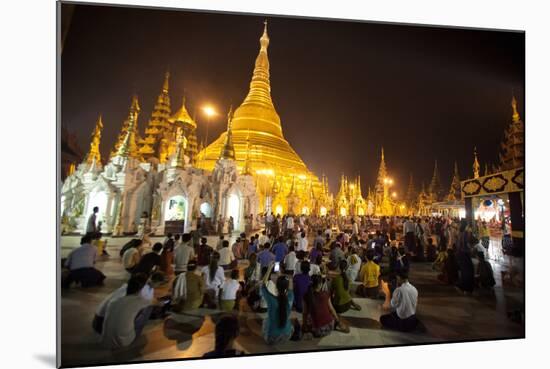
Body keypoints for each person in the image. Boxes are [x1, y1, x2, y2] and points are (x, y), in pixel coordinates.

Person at [101, 273, 153, 348]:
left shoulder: (116, 299)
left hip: (106, 339)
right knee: (148, 309)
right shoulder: (139, 301)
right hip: (123, 342)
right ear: (141, 289)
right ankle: (135, 333)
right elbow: (153, 303)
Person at [260, 262, 296, 344]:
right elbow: (290, 282)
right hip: (287, 335)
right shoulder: (290, 297)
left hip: (272, 337)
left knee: (265, 321)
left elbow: (263, 285)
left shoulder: (271, 300)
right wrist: (281, 276)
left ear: (276, 287)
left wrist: (269, 269)